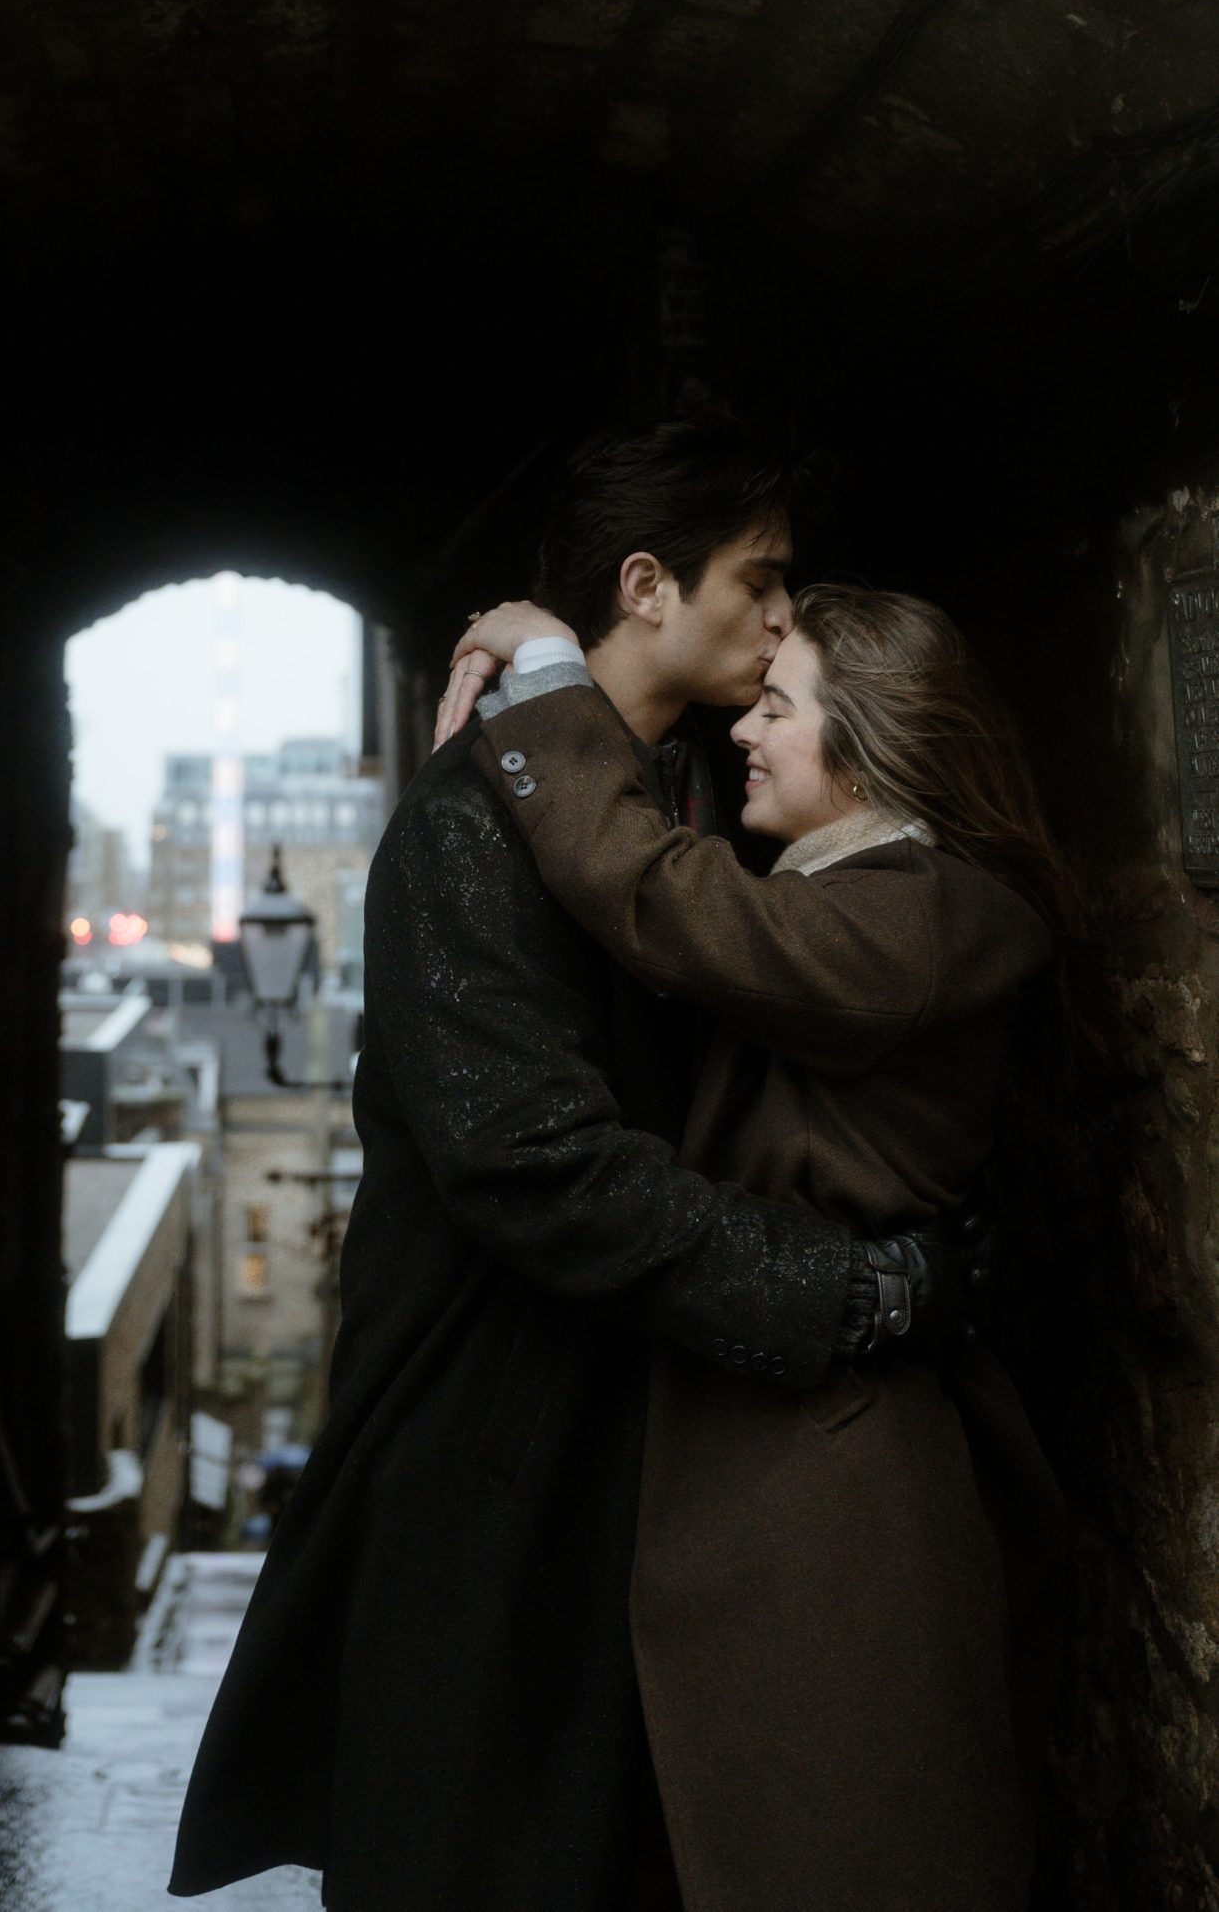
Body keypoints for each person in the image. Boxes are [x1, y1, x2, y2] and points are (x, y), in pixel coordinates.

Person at [169, 421, 977, 1912]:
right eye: (766, 577)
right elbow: (539, 1165)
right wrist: (843, 1291)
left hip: (638, 1458)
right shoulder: (466, 832)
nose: (789, 614)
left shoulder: (680, 810)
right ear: (652, 584)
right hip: (490, 1466)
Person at [446, 582, 1072, 1912]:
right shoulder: (866, 896)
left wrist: (551, 673)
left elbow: (662, 899)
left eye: (780, 709)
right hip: (798, 1477)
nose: (746, 732)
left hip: (841, 1519)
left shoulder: (910, 917)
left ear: (878, 746)